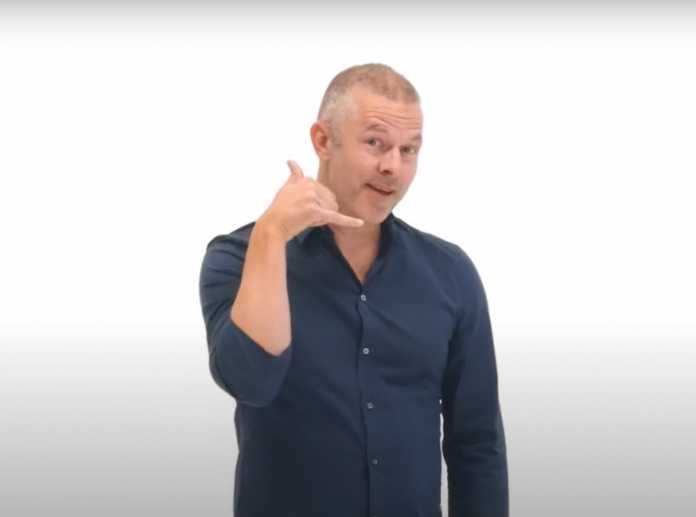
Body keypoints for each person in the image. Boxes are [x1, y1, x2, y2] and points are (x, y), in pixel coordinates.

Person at [198, 63, 509, 517]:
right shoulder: (238, 258)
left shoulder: (451, 273)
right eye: (375, 143)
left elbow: (477, 442)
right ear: (323, 140)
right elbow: (250, 381)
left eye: (409, 149)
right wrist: (271, 235)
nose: (392, 166)